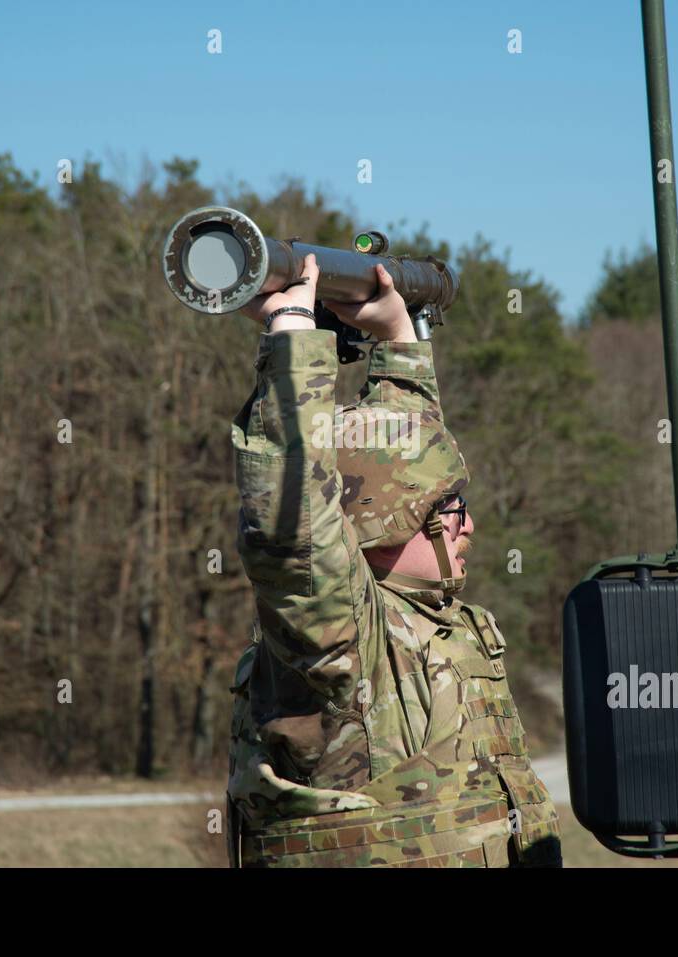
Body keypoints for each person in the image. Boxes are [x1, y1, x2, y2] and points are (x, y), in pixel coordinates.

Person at [225, 253, 562, 867]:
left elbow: (398, 448)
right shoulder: (346, 638)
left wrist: (396, 336)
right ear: (394, 519)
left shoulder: (429, 617)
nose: (468, 525)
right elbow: (292, 523)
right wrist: (292, 335)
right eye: (449, 507)